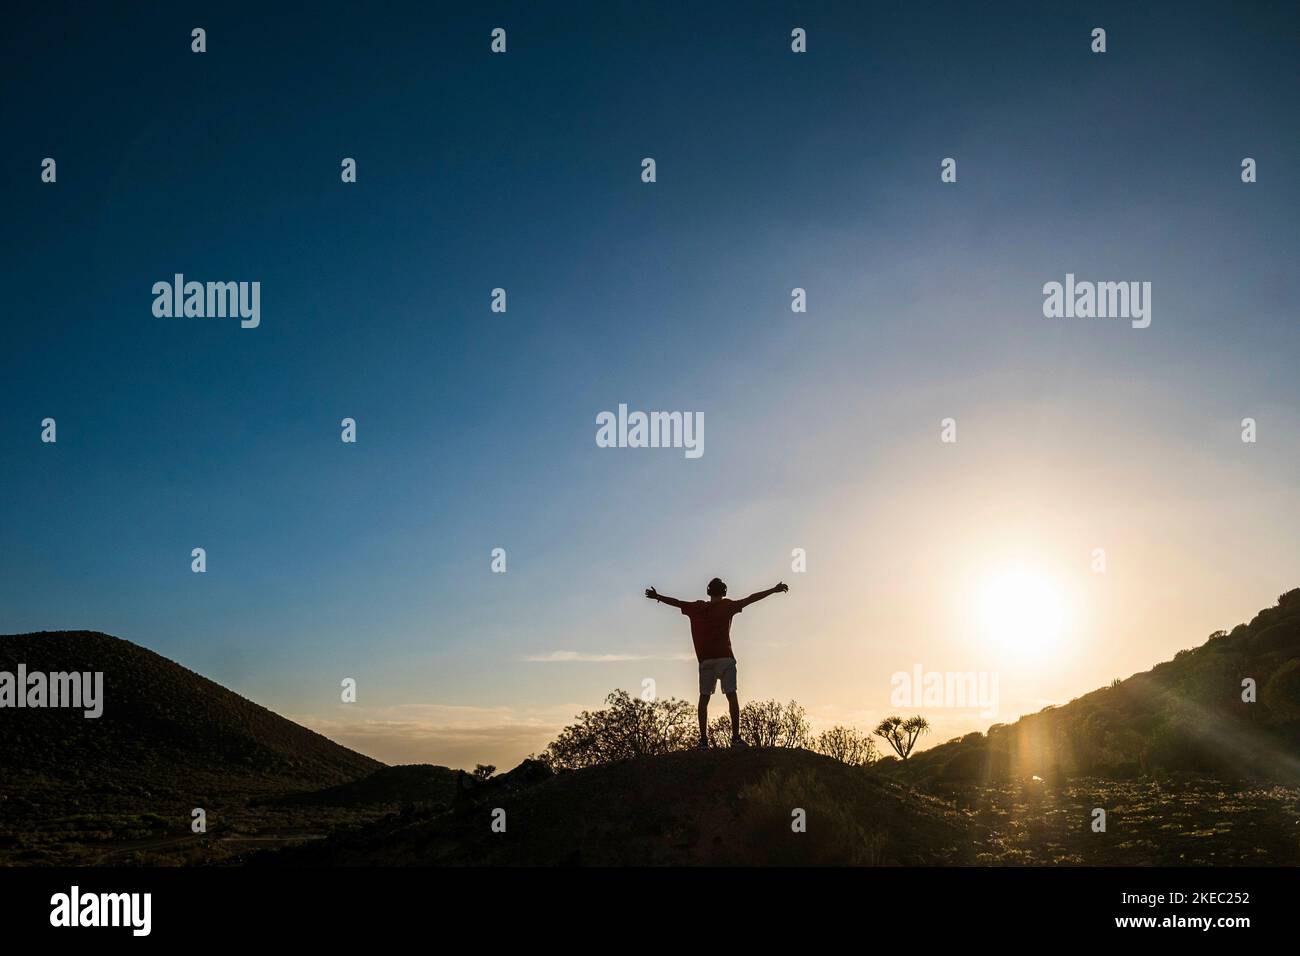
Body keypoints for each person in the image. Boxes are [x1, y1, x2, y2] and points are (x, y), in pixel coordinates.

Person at [644, 577, 789, 748]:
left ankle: (703, 740)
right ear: (724, 591)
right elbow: (751, 598)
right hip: (725, 658)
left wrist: (658, 596)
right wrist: (773, 590)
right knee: (732, 696)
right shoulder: (728, 606)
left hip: (706, 660)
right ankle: (735, 738)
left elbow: (676, 602)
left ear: (708, 591)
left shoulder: (697, 607)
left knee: (704, 699)